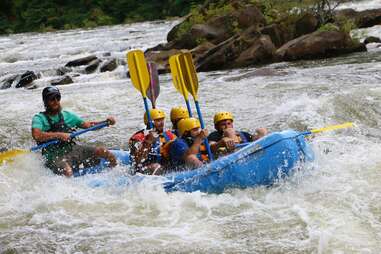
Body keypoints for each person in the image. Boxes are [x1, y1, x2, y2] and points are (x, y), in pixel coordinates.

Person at [31, 86, 117, 177]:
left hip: (72, 149)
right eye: (52, 99)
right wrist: (58, 135)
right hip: (53, 155)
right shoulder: (39, 118)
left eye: (58, 97)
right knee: (67, 171)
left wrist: (106, 122)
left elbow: (88, 125)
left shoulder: (68, 115)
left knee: (104, 152)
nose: (55, 101)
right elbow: (37, 135)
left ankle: (113, 175)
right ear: (45, 101)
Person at [128, 108, 176, 175]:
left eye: (162, 119)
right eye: (158, 120)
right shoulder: (138, 138)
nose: (162, 123)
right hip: (142, 170)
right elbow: (137, 161)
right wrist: (148, 142)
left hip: (164, 167)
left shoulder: (169, 135)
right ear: (149, 122)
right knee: (156, 167)